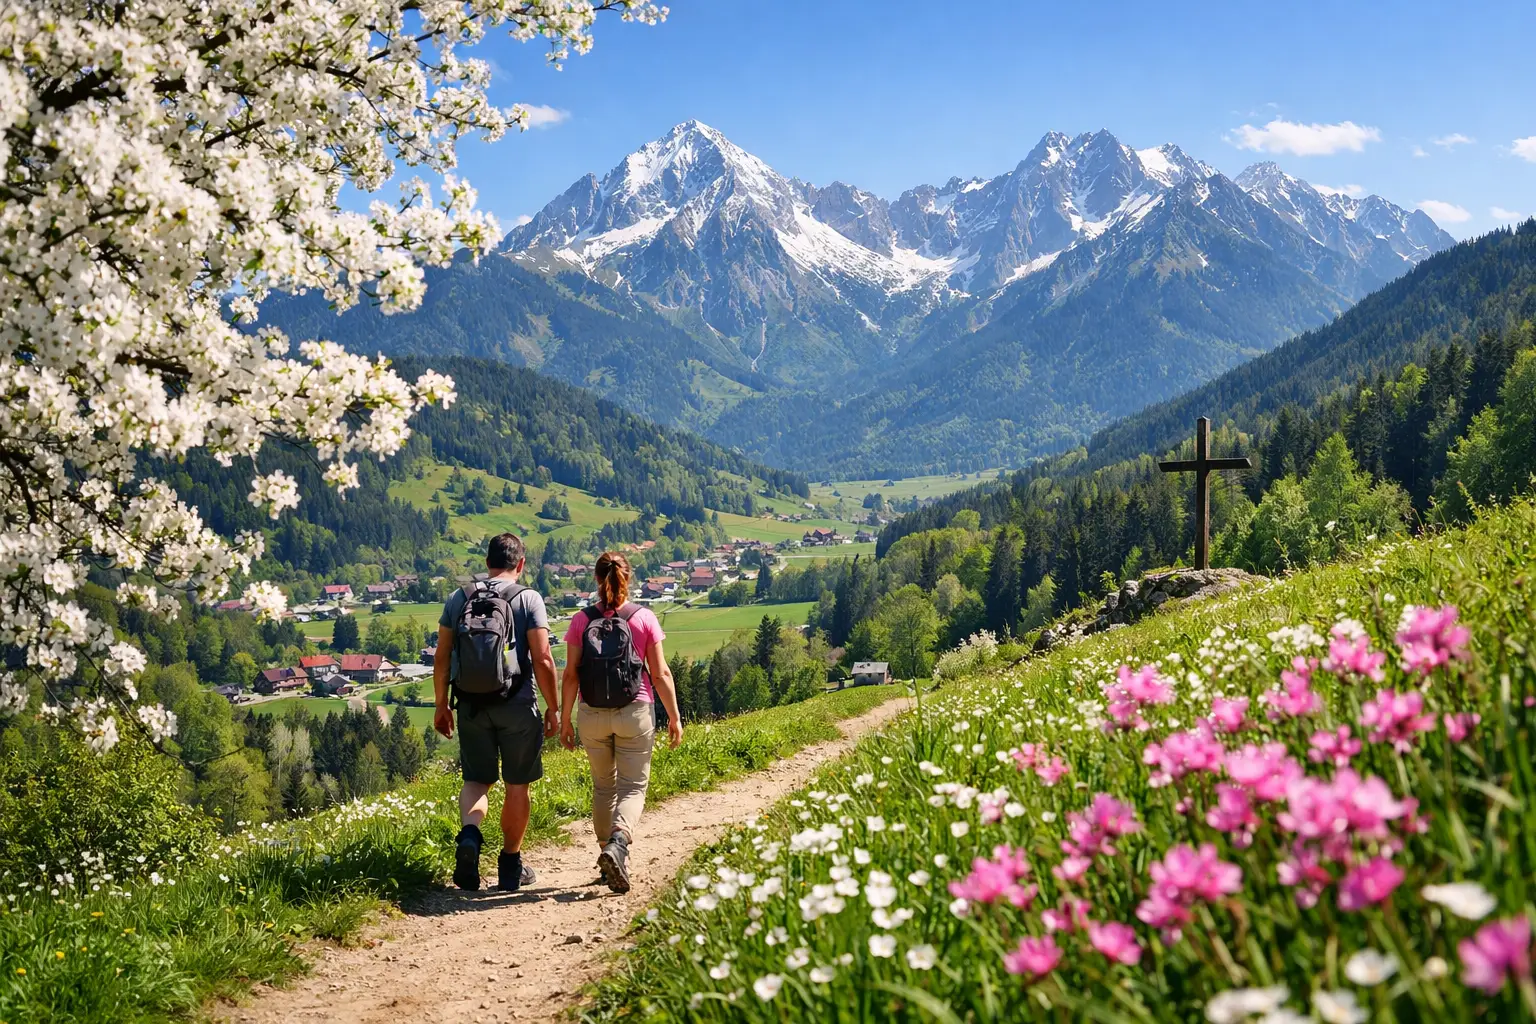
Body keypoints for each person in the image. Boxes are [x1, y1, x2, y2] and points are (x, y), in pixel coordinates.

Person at [433, 532, 559, 892]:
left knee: (476, 781)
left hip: (471, 703)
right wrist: (554, 707)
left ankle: (470, 838)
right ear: (520, 564)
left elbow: (442, 656)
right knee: (517, 785)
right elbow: (543, 657)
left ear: (487, 561)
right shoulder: (528, 598)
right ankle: (509, 867)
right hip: (518, 703)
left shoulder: (459, 598)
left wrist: (442, 705)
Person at [560, 552, 683, 893]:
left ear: (597, 580)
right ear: (628, 578)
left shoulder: (580, 621)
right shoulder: (644, 618)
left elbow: (570, 675)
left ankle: (606, 854)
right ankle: (619, 843)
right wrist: (674, 716)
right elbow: (659, 673)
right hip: (635, 710)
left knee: (603, 786)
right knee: (632, 787)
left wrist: (566, 719)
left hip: (592, 713)